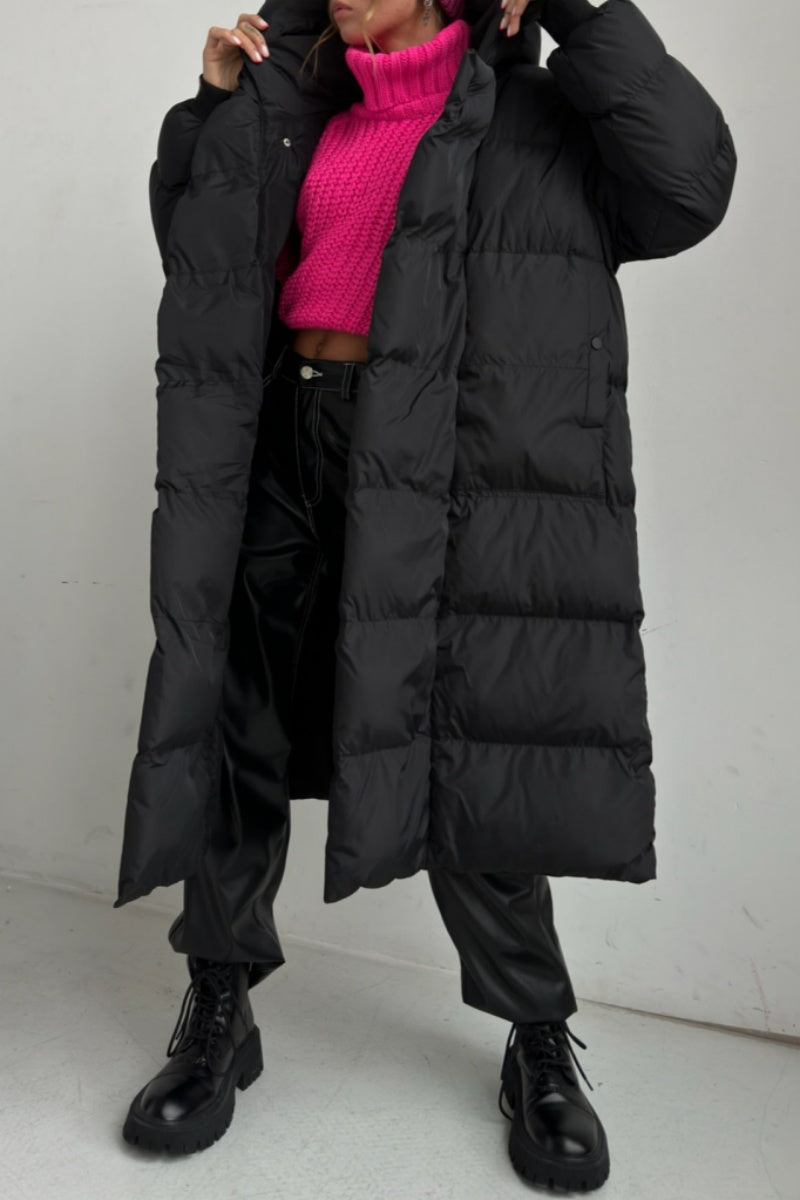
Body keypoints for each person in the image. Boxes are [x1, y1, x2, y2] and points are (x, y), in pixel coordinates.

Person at [117, 0, 736, 1188]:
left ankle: (537, 1040)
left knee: (463, 740)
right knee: (238, 726)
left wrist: (580, 10)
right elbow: (197, 251)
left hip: (435, 460)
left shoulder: (536, 118)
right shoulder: (305, 108)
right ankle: (218, 1007)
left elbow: (688, 184)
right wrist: (209, 110)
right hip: (286, 439)